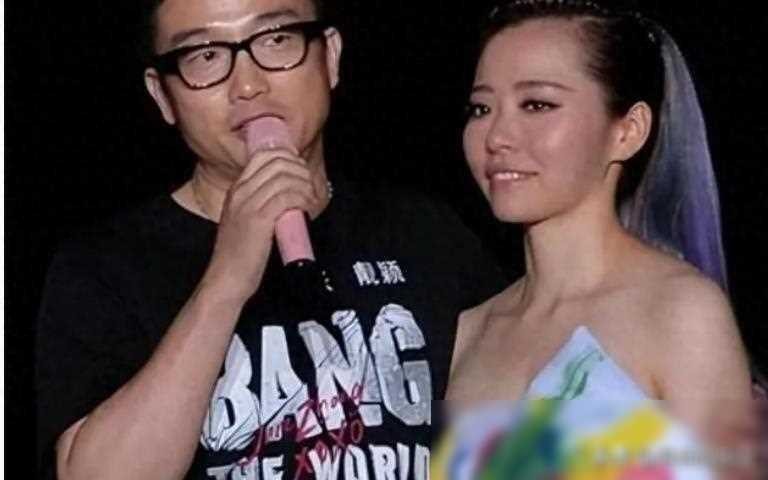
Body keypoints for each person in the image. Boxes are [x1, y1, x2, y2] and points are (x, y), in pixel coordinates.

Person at [35, 0, 505, 478]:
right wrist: (226, 280)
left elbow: (510, 445)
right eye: (205, 55)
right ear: (163, 95)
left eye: (277, 39)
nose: (248, 85)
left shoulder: (423, 231)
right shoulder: (106, 266)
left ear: (330, 56)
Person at [447, 0, 754, 454]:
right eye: (481, 108)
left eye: (536, 104)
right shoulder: (470, 330)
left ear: (628, 131)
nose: (496, 136)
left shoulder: (679, 313)